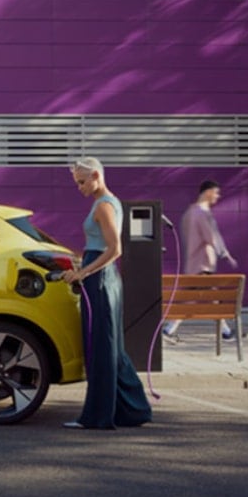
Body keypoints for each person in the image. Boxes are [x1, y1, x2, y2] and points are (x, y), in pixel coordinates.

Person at [61, 158, 152, 430]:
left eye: (81, 181)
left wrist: (82, 273)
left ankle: (98, 417)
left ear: (96, 176)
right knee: (112, 348)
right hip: (105, 279)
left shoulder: (103, 206)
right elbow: (100, 247)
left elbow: (115, 249)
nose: (79, 187)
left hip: (100, 281)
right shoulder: (110, 202)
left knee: (101, 348)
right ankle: (134, 410)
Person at [164, 179, 238, 341]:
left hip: (194, 263)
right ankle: (225, 332)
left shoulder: (189, 213)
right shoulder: (201, 213)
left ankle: (169, 330)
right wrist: (225, 253)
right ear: (208, 192)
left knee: (195, 299)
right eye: (216, 192)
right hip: (202, 264)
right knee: (209, 299)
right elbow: (211, 236)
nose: (218, 196)